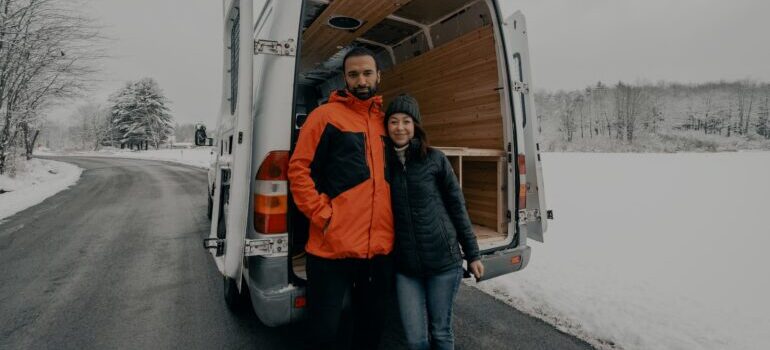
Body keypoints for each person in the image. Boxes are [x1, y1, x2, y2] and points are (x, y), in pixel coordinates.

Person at [288, 47, 394, 350]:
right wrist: (324, 215)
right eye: (354, 74)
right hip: (331, 250)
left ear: (378, 76)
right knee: (323, 332)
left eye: (367, 73)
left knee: (371, 329)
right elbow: (298, 170)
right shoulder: (324, 116)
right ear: (344, 78)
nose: (361, 80)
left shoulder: (385, 123)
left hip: (378, 251)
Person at [384, 94, 485, 350]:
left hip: (443, 262)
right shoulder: (382, 164)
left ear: (415, 125)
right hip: (406, 268)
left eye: (406, 121)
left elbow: (457, 206)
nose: (399, 127)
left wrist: (472, 254)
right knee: (415, 340)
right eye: (393, 121)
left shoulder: (435, 159)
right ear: (386, 126)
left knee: (440, 333)